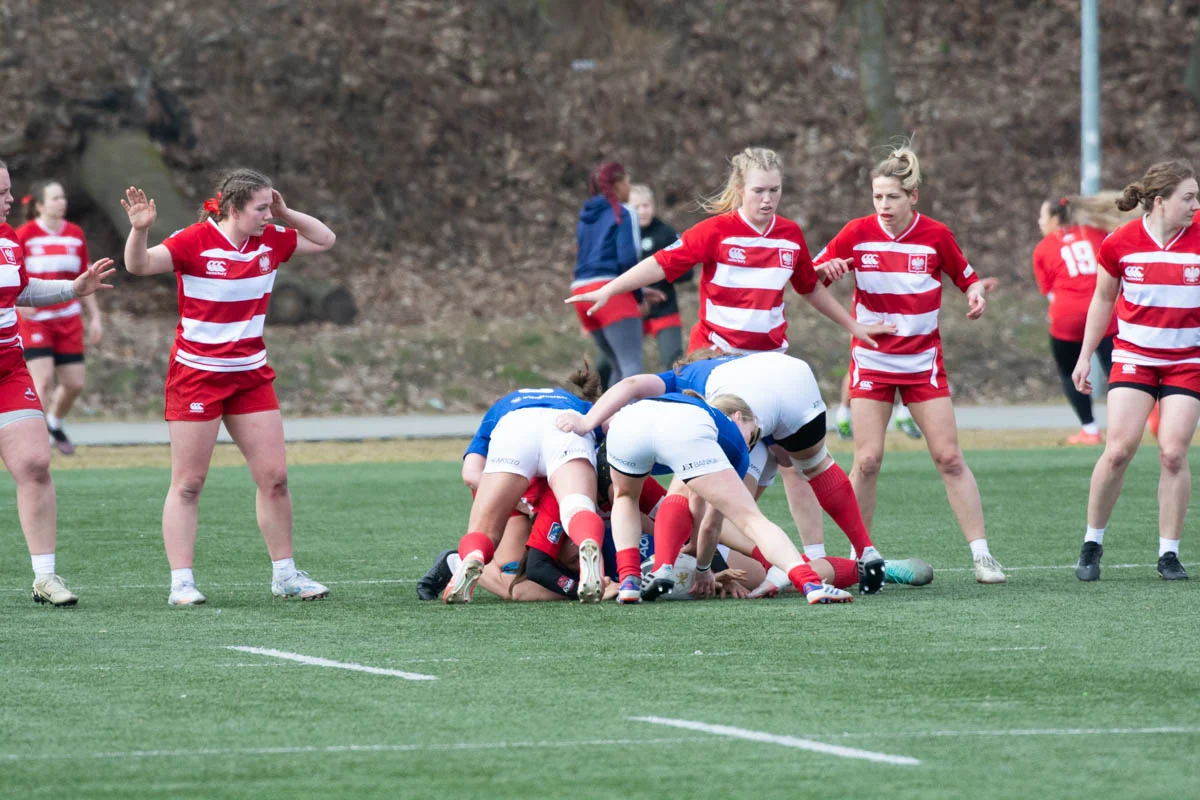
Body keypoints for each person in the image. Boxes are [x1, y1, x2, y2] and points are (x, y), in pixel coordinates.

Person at [567, 147, 894, 564]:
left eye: (775, 190)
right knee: (701, 477)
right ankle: (679, 563)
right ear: (740, 189)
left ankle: (826, 556)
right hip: (718, 370)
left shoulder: (789, 234)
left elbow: (808, 286)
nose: (767, 199)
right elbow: (662, 264)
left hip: (770, 368)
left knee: (797, 463)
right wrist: (612, 288)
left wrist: (855, 327)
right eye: (759, 190)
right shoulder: (715, 231)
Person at [121, 169, 337, 606]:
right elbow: (138, 266)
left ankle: (285, 576)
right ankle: (181, 582)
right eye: (259, 208)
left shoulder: (271, 240)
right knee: (188, 483)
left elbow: (325, 239)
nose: (265, 216)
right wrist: (140, 231)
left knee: (274, 478)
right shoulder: (193, 241)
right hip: (196, 374)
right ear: (234, 208)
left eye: (268, 208)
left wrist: (285, 211)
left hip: (250, 376)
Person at [814, 144, 1006, 584]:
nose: (884, 206)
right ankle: (860, 556)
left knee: (949, 457)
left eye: (893, 197)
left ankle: (983, 556)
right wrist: (829, 271)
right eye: (878, 197)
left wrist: (975, 295)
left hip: (923, 364)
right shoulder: (856, 232)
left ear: (912, 197)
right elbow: (809, 276)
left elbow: (967, 278)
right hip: (872, 363)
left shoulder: (936, 234)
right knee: (866, 461)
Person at [581, 350, 889, 597]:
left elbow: (630, 385)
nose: (757, 444)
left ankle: (637, 578)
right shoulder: (715, 410)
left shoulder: (695, 398)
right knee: (809, 471)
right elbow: (716, 520)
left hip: (626, 433)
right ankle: (853, 558)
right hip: (794, 376)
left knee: (659, 497)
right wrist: (702, 564)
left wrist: (588, 422)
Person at [559, 390, 856, 605]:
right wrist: (703, 570)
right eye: (752, 435)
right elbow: (711, 524)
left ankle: (628, 582)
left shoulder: (677, 393)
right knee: (752, 520)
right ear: (736, 417)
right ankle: (811, 584)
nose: (750, 444)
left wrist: (587, 422)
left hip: (628, 422)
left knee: (625, 496)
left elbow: (632, 383)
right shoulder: (724, 435)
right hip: (680, 430)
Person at [1071, 160, 1200, 582]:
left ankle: (1168, 553)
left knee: (1173, 452)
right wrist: (1086, 355)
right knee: (1119, 450)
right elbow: (1103, 300)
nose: (1195, 205)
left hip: (1187, 362)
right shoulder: (1120, 242)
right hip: (1135, 357)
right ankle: (1092, 543)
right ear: (1160, 202)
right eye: (1189, 197)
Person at [0, 159, 115, 606]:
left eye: (9, 191)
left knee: (34, 464)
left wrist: (73, 288)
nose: (11, 200)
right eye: (2, 193)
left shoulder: (8, 238)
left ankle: (45, 577)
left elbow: (21, 290)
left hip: (8, 368)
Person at [442, 371, 608, 604]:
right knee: (577, 508)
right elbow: (615, 427)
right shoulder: (579, 405)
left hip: (514, 431)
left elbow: (470, 474)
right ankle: (588, 545)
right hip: (567, 426)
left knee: (485, 532)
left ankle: (473, 556)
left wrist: (520, 503)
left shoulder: (500, 410)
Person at [15, 182, 103, 455]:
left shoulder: (75, 235)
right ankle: (34, 443)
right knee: (42, 383)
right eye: (55, 198)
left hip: (68, 320)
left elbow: (84, 280)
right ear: (39, 205)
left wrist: (96, 317)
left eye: (63, 196)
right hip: (36, 320)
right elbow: (11, 277)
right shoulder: (24, 235)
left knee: (75, 383)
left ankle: (54, 421)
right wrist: (18, 307)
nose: (61, 201)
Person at [1032, 195, 1120, 445]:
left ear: (1055, 218)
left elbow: (1050, 294)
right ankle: (1129, 423)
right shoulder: (1097, 233)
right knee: (1118, 372)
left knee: (1069, 371)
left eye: (1042, 216)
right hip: (1104, 313)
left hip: (1067, 317)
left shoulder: (1043, 247)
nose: (1040, 222)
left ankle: (1090, 430)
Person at [571, 162, 643, 389]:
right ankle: (630, 423)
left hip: (581, 292)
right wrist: (638, 296)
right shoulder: (624, 211)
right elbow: (628, 259)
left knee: (618, 367)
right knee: (632, 367)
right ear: (617, 184)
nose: (630, 186)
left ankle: (608, 422)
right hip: (610, 293)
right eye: (628, 181)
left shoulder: (586, 216)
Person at [628, 183, 687, 369]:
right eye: (636, 207)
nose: (642, 211)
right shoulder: (622, 235)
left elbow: (687, 272)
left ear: (653, 206)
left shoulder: (666, 233)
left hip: (664, 307)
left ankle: (674, 397)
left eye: (646, 206)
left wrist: (660, 274)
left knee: (673, 362)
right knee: (607, 364)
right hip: (631, 310)